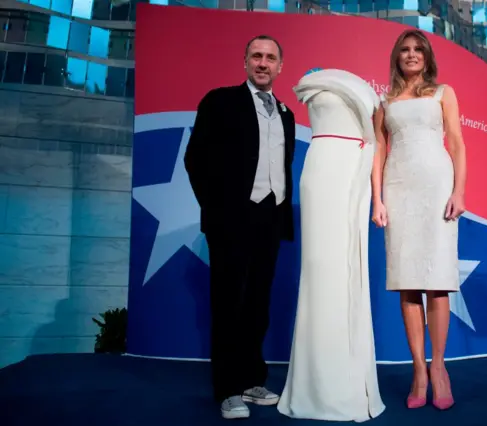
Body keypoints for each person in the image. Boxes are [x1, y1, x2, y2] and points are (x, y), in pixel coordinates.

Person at [184, 35, 296, 420]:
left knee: (257, 304)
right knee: (229, 303)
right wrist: (217, 210)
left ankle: (251, 380)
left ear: (281, 66)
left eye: (270, 58)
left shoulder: (286, 113)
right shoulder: (219, 101)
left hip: (271, 217)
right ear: (245, 62)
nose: (263, 63)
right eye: (257, 56)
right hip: (231, 219)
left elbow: (282, 166)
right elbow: (195, 158)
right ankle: (227, 389)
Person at [277, 69, 386, 422]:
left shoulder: (369, 95)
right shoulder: (313, 85)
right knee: (319, 272)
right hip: (322, 173)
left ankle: (348, 380)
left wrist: (377, 196)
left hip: (353, 173)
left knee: (345, 272)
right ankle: (315, 383)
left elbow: (377, 143)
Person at [371, 29, 467, 411]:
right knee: (408, 283)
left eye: (418, 50)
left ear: (427, 57)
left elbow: (457, 142)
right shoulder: (383, 100)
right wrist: (376, 199)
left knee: (437, 282)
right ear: (397, 57)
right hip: (398, 189)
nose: (411, 55)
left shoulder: (444, 92)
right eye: (405, 50)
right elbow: (379, 150)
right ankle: (418, 371)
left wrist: (459, 191)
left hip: (437, 187)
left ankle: (440, 367)